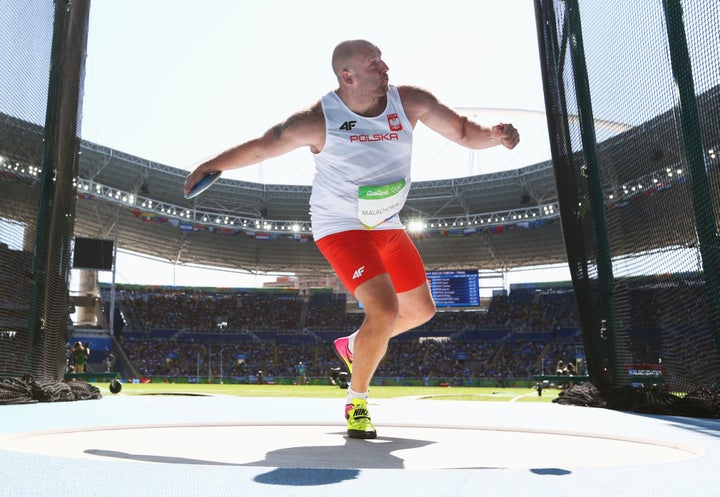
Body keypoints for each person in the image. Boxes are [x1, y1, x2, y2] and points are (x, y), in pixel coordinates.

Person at [185, 40, 519, 439]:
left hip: (387, 223)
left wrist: (494, 137)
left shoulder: (410, 101)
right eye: (373, 62)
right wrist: (211, 165)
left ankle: (353, 345)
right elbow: (262, 147)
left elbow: (465, 131)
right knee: (384, 308)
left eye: (382, 59)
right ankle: (357, 401)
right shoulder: (316, 120)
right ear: (347, 76)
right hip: (340, 227)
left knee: (421, 312)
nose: (384, 66)